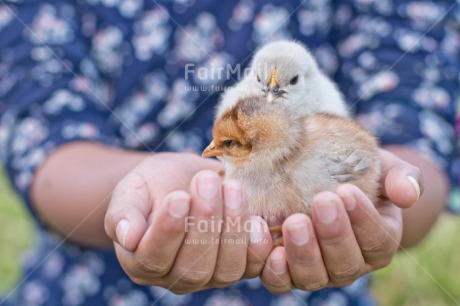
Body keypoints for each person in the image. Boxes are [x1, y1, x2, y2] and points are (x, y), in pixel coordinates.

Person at [0, 0, 458, 305]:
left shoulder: (315, 135)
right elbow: (44, 138)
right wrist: (143, 201)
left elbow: (414, 138)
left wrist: (391, 196)